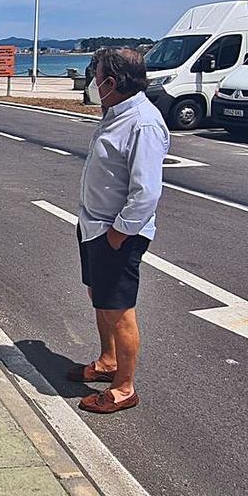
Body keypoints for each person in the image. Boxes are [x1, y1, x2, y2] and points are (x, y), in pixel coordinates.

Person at [70, 48, 169, 414]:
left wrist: (118, 234)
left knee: (120, 309)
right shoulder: (116, 113)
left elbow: (146, 192)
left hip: (116, 233)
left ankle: (124, 386)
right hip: (94, 226)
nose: (93, 83)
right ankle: (107, 361)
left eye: (97, 77)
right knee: (100, 297)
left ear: (112, 82)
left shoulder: (142, 122)